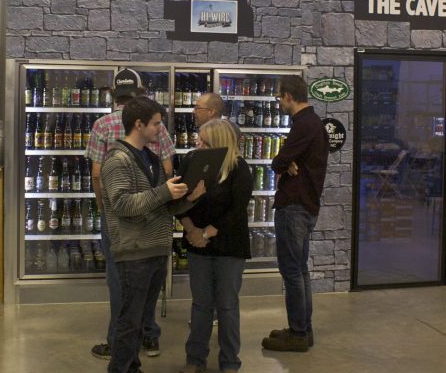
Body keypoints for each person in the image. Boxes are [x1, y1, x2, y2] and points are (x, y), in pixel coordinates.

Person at [102, 96, 202, 373]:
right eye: (156, 124)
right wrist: (164, 192)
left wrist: (189, 197)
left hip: (156, 249)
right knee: (129, 322)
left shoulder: (151, 157)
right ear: (139, 124)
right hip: (134, 251)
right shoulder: (117, 160)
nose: (160, 129)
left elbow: (162, 204)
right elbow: (122, 204)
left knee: (139, 320)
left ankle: (132, 367)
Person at [86, 69, 175, 360]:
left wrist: (105, 209)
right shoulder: (155, 125)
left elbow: (97, 173)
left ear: (114, 93)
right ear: (140, 92)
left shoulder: (102, 125)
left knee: (120, 280)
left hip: (119, 218)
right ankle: (150, 337)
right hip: (153, 215)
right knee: (148, 282)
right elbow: (167, 169)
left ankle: (118, 343)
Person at [176, 119, 251, 373]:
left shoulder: (239, 168)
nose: (198, 145)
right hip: (197, 243)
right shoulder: (191, 161)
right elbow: (177, 203)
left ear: (219, 144)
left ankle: (230, 362)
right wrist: (191, 229)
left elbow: (236, 211)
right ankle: (195, 359)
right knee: (201, 304)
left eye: (204, 142)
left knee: (227, 305)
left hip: (228, 245)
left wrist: (205, 233)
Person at [261, 75, 328, 353]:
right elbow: (287, 160)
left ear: (289, 96)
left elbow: (278, 162)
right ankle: (303, 328)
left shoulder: (303, 124)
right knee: (300, 270)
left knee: (291, 271)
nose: (279, 101)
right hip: (307, 205)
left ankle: (299, 333)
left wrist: (284, 162)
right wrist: (287, 161)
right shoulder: (314, 123)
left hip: (294, 206)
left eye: (280, 96)